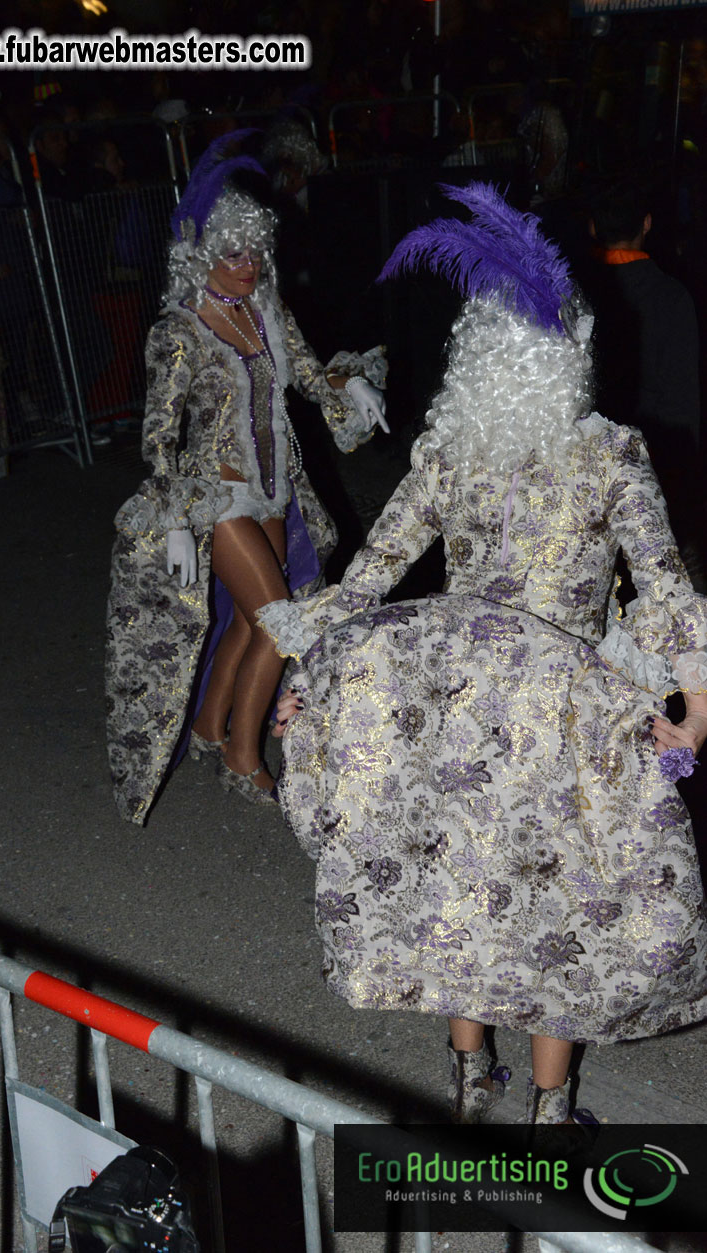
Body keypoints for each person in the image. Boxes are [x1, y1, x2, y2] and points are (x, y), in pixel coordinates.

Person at [265, 182, 707, 1125]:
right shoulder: (611, 452)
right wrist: (695, 697)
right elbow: (664, 585)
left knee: (469, 878)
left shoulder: (448, 453)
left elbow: (368, 575)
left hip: (458, 690)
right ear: (570, 354)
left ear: (478, 362)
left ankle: (470, 1088)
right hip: (566, 702)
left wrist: (311, 671)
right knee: (559, 900)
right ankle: (551, 1113)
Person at [105, 132, 388, 824]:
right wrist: (174, 517)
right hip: (216, 495)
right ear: (202, 251)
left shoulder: (265, 309)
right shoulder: (179, 331)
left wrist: (350, 388)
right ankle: (241, 754)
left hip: (273, 488)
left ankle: (208, 726)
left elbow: (313, 374)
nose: (248, 263)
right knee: (277, 622)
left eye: (255, 249)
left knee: (243, 625)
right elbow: (158, 436)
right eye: (233, 252)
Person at [587, 179, 702, 579]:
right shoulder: (671, 297)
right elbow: (684, 397)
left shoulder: (576, 293)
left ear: (592, 228)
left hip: (590, 461)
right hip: (654, 463)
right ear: (647, 224)